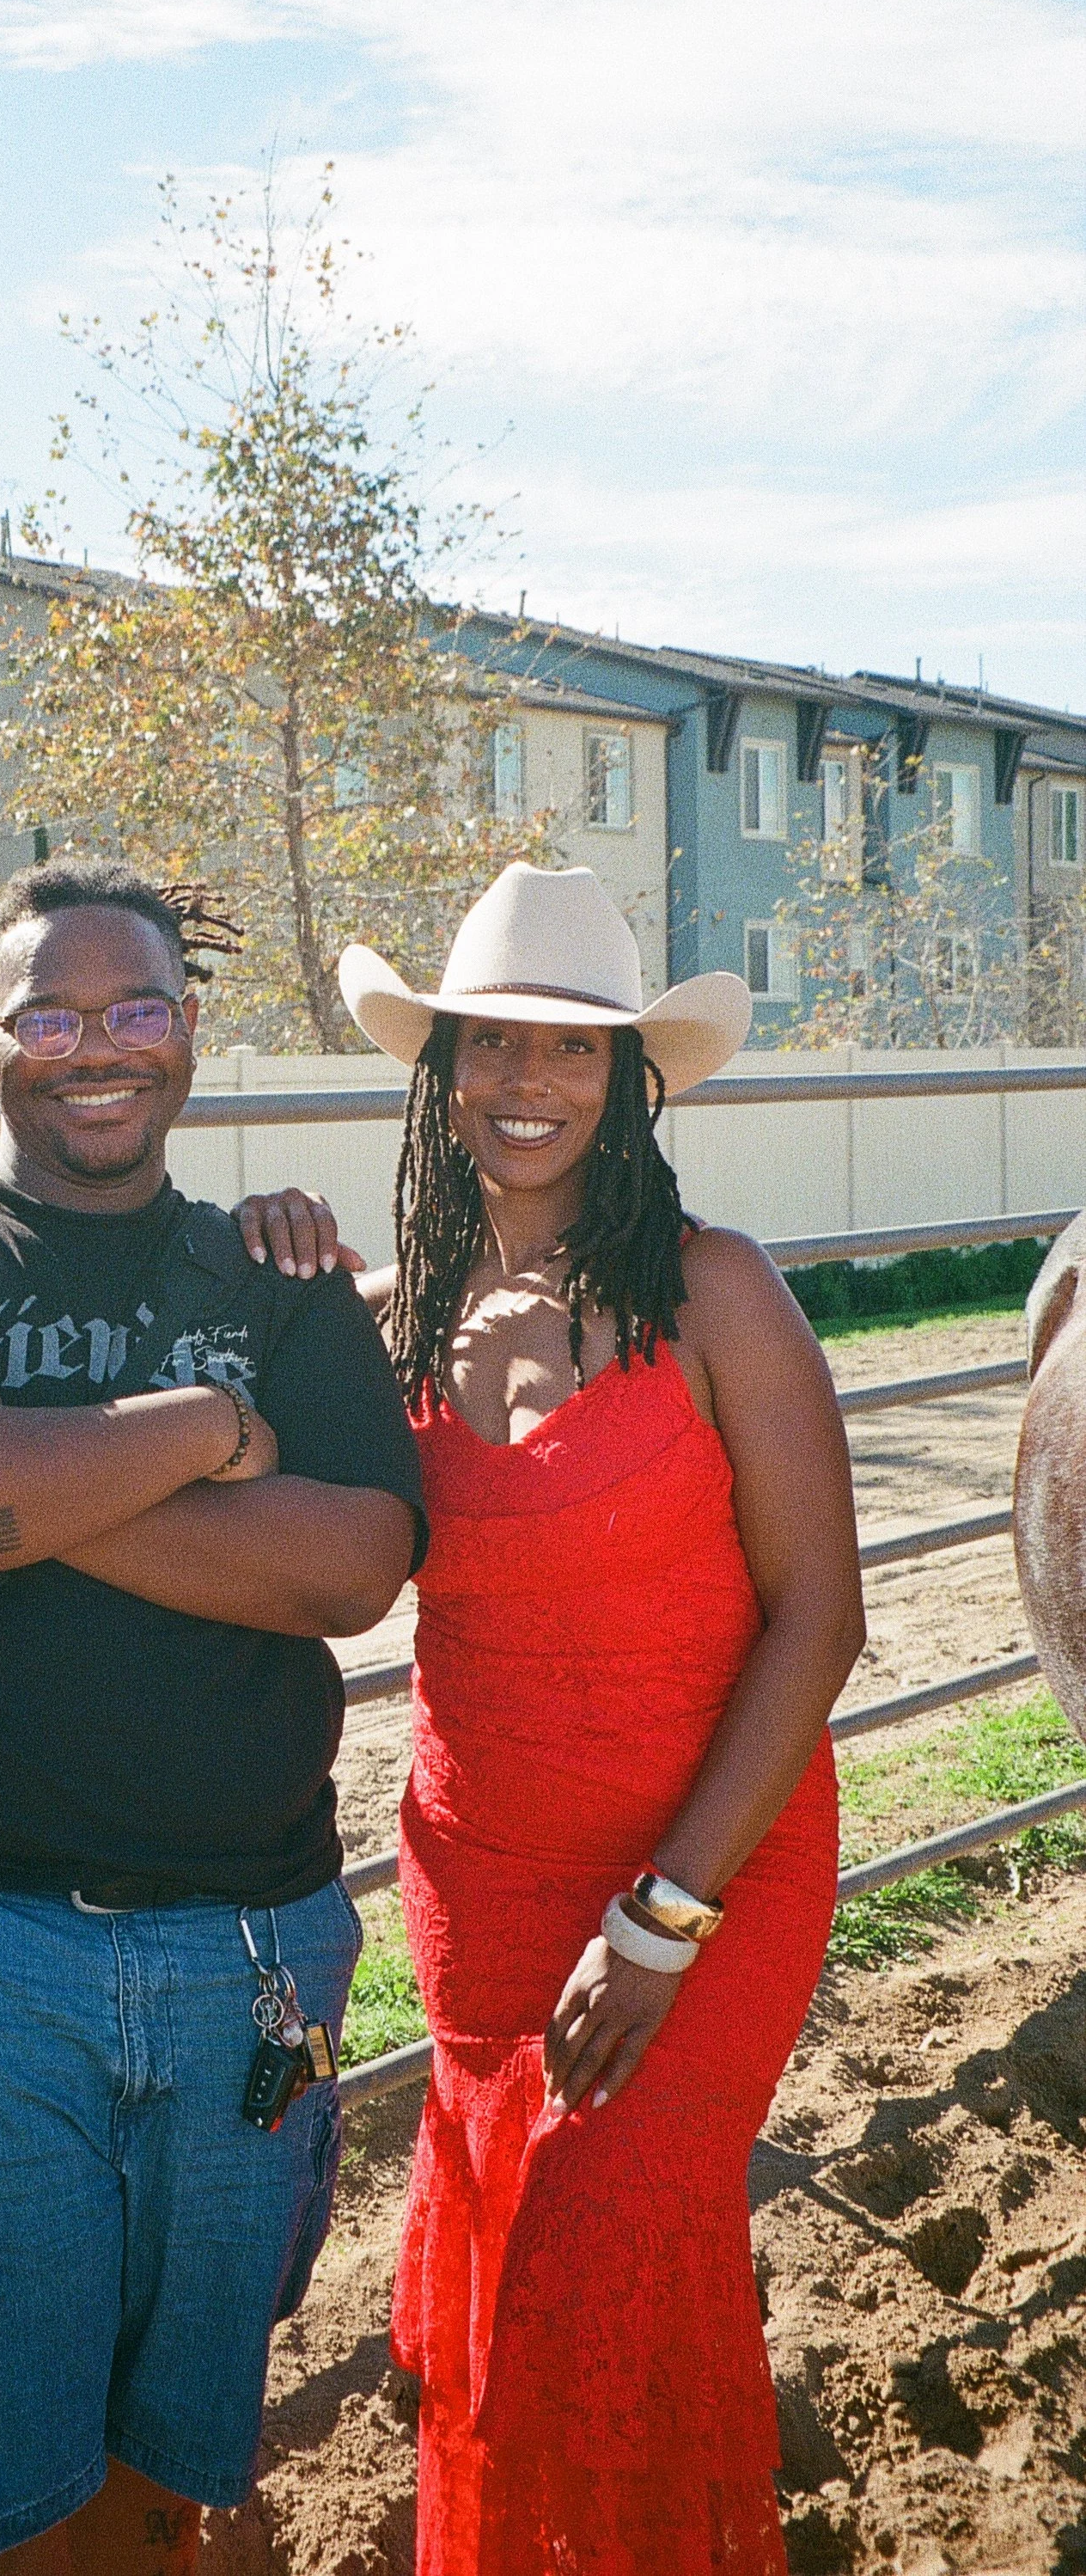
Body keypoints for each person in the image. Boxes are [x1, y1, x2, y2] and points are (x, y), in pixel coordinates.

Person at [0, 857, 425, 2575]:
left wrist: (15, 1440)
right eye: (48, 1012)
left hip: (239, 1964)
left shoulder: (277, 1265)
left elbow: (349, 1564)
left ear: (188, 1032)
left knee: (157, 2484)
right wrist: (204, 1428)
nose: (92, 1045)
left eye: (133, 1008)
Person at [238, 862, 865, 2575]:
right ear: (435, 1070)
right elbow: (251, 1493)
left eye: (570, 1050)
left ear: (627, 1082)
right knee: (502, 2283)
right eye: (487, 1045)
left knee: (606, 2253)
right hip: (483, 1877)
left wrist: (666, 1912)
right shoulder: (380, 1329)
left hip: (707, 1864)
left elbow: (820, 1617)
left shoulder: (717, 1292)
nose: (526, 1080)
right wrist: (259, 1266)